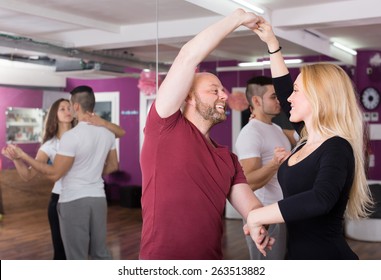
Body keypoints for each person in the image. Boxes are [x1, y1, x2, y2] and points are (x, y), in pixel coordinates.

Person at [139, 9, 274, 260]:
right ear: (188, 97)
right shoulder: (165, 128)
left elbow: (251, 207)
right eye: (214, 90)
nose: (224, 95)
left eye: (223, 90)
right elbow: (187, 57)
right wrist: (237, 18)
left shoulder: (228, 159)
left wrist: (257, 222)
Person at [245, 19, 374, 259]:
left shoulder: (337, 147)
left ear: (318, 98)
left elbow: (320, 199)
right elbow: (284, 91)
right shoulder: (305, 140)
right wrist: (272, 44)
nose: (288, 99)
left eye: (297, 91)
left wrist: (257, 215)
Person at [3, 86, 120, 259]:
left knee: (90, 251)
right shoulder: (49, 146)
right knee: (63, 253)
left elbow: (110, 158)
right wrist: (17, 159)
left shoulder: (83, 134)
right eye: (62, 108)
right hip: (61, 199)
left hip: (85, 198)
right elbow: (28, 176)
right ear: (54, 116)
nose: (68, 110)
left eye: (69, 106)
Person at [235, 76, 291, 260]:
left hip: (281, 211)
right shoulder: (251, 133)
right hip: (265, 214)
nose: (279, 101)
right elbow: (248, 182)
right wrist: (274, 164)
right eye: (273, 97)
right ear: (257, 101)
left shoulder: (275, 128)